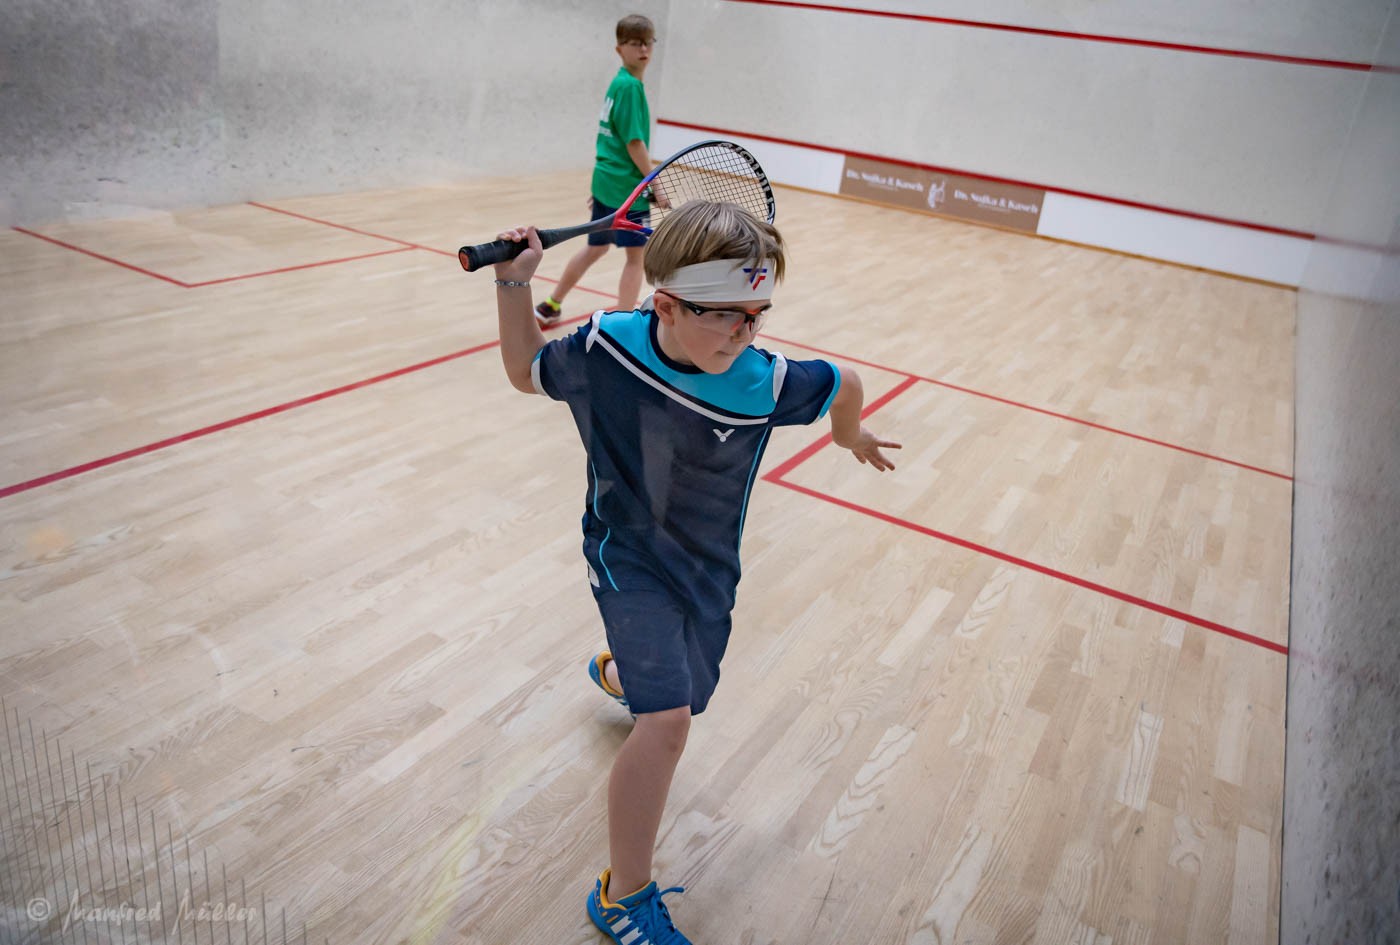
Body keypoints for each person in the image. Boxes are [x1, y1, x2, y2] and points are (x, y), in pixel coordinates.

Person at [490, 201, 900, 944]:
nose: (745, 334)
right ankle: (623, 895)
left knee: (687, 694)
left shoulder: (766, 382)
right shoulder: (604, 347)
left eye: (758, 316)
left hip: (707, 570)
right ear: (667, 305)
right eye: (727, 317)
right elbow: (525, 372)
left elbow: (844, 381)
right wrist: (514, 283)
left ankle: (622, 671)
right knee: (669, 723)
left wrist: (850, 435)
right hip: (625, 554)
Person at [534, 14, 660, 327]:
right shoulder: (630, 87)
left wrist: (603, 190)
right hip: (627, 189)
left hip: (605, 183)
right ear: (620, 49)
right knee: (635, 259)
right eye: (635, 43)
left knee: (596, 248)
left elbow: (611, 139)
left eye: (648, 43)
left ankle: (551, 305)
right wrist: (653, 183)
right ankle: (622, 326)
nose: (643, 49)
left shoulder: (618, 82)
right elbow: (634, 144)